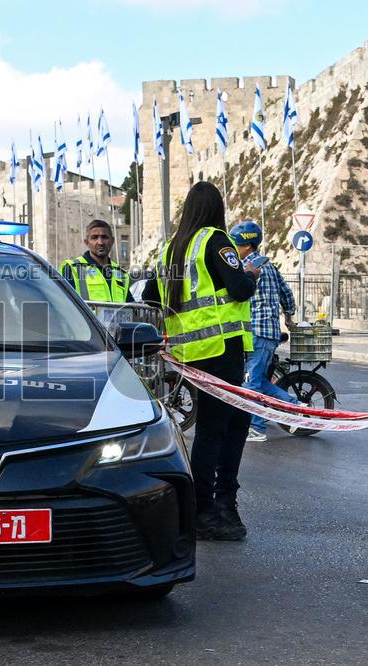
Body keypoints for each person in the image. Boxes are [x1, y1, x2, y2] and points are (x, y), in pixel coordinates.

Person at [141, 182, 258, 541]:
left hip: (190, 353)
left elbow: (149, 295)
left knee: (220, 426)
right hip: (222, 349)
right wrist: (250, 276)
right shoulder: (215, 240)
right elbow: (238, 288)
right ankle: (211, 509)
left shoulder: (171, 250)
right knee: (222, 429)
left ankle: (212, 505)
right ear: (215, 209)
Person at [229, 221, 300, 443]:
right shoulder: (270, 266)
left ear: (248, 246)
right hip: (269, 333)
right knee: (259, 381)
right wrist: (288, 315)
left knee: (251, 383)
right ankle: (295, 406)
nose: (234, 248)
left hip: (256, 333)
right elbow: (287, 294)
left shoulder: (246, 269)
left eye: (237, 245)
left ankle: (257, 428)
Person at [59, 220, 133, 303]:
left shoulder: (121, 273)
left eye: (104, 237)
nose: (100, 242)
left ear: (112, 241)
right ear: (87, 242)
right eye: (94, 237)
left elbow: (130, 308)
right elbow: (64, 305)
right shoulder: (73, 269)